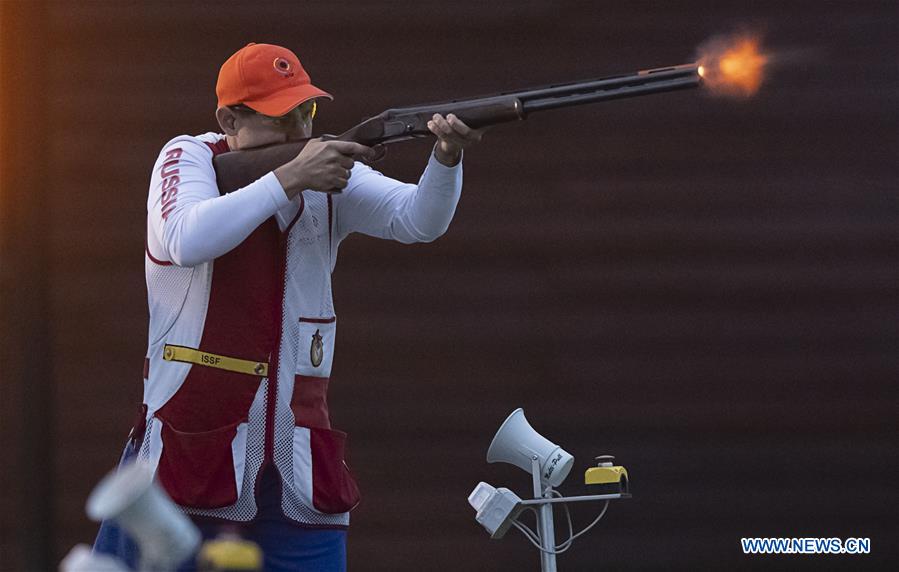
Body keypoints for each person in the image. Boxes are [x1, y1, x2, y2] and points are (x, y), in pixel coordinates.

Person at [93, 42, 482, 572]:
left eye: (307, 111)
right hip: (189, 459)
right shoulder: (188, 156)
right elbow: (187, 237)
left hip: (296, 465)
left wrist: (446, 159)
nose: (300, 130)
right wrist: (290, 177)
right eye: (281, 117)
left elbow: (417, 220)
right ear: (229, 119)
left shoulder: (324, 169)